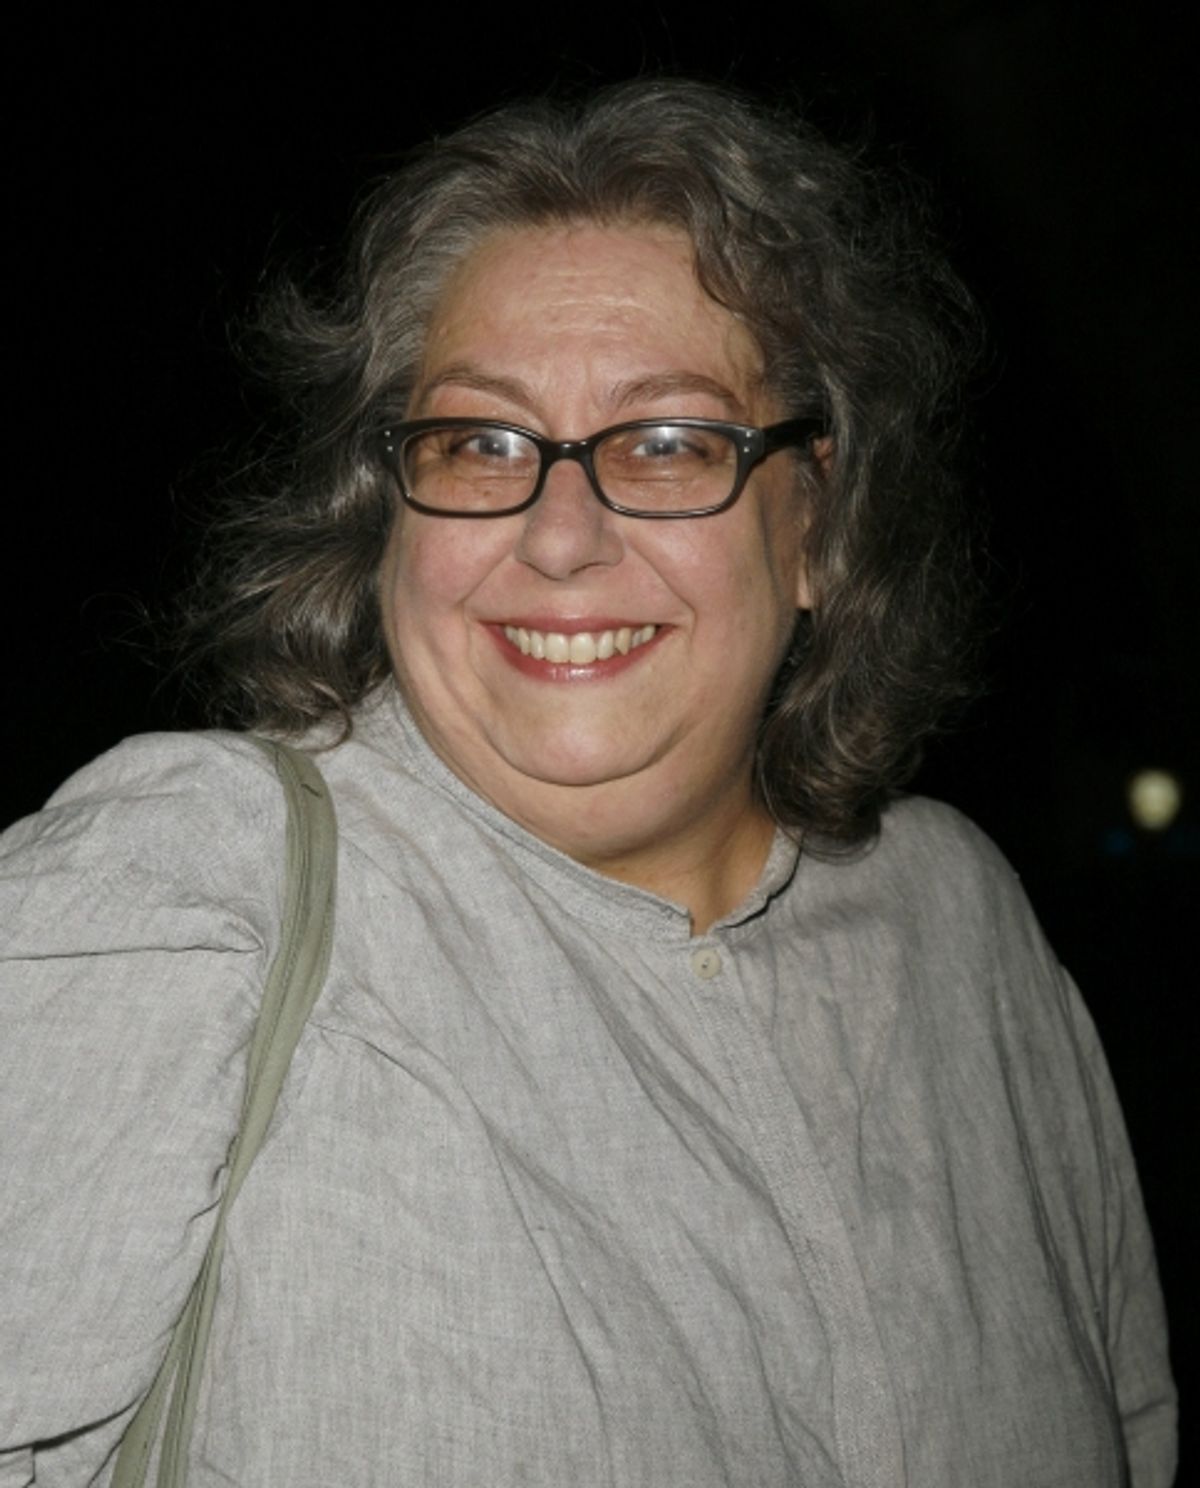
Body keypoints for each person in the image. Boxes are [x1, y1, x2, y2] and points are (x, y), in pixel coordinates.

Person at [0, 78, 1176, 1487]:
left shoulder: (968, 930)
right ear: (388, 513)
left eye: (671, 443)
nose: (558, 535)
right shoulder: (186, 882)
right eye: (479, 442)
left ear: (817, 530)